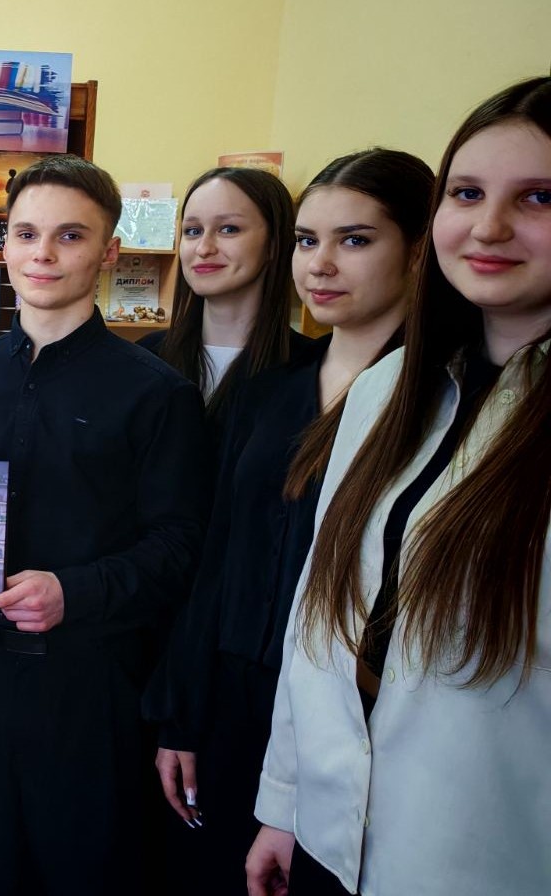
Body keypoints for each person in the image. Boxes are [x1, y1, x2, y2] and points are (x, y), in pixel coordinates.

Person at [247, 77, 551, 896]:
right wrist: (286, 803)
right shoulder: (389, 390)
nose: (489, 226)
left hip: (484, 858)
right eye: (468, 193)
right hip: (334, 835)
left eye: (538, 198)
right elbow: (321, 612)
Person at [0, 154, 208, 894]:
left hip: (94, 686)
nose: (43, 254)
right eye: (27, 233)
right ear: (4, 244)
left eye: (70, 235)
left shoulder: (156, 393)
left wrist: (75, 591)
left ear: (108, 252)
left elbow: (182, 546)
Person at [142, 148, 433, 895]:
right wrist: (182, 714)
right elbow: (218, 559)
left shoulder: (441, 400)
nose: (321, 264)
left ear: (416, 250)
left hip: (357, 713)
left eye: (354, 240)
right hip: (232, 698)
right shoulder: (269, 391)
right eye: (309, 240)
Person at [143, 167, 312, 421]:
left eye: (229, 229)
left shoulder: (311, 370)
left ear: (274, 243)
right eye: (193, 231)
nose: (203, 248)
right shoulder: (147, 357)